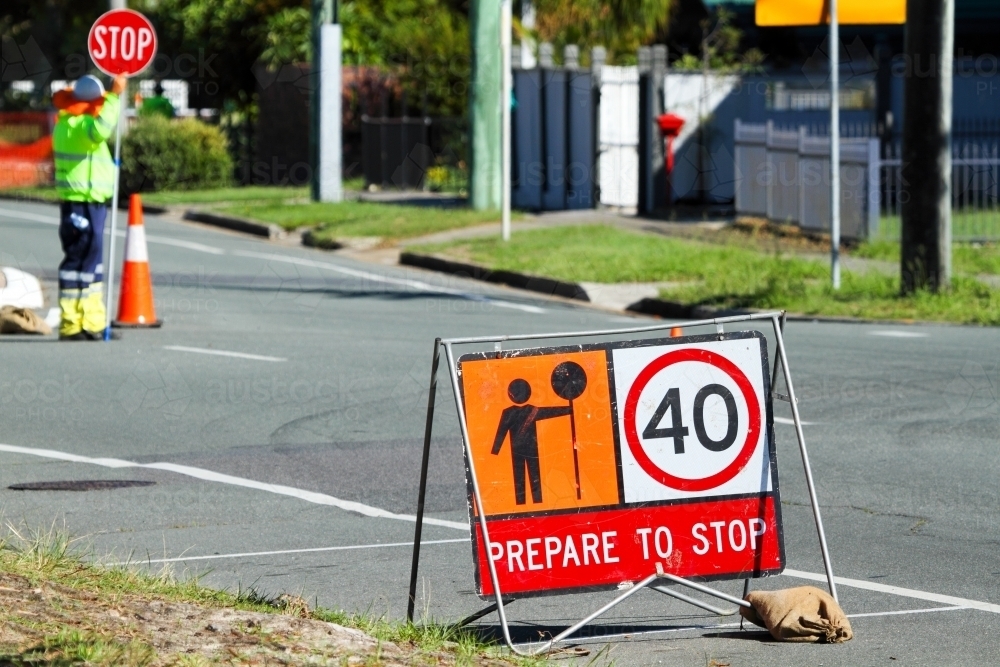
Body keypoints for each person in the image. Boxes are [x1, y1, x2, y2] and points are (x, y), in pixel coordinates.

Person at [52, 74, 126, 340]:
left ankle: (91, 323)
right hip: (80, 202)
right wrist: (116, 96)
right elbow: (101, 129)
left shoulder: (67, 123)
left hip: (88, 201)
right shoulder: (76, 126)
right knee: (79, 261)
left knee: (91, 264)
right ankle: (72, 324)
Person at [491, 378, 572, 505]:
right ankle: (536, 501)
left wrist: (495, 450)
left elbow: (501, 432)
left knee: (522, 478)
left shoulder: (509, 412)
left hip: (518, 449)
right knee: (534, 476)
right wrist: (569, 410)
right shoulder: (532, 410)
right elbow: (551, 411)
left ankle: (523, 502)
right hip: (530, 449)